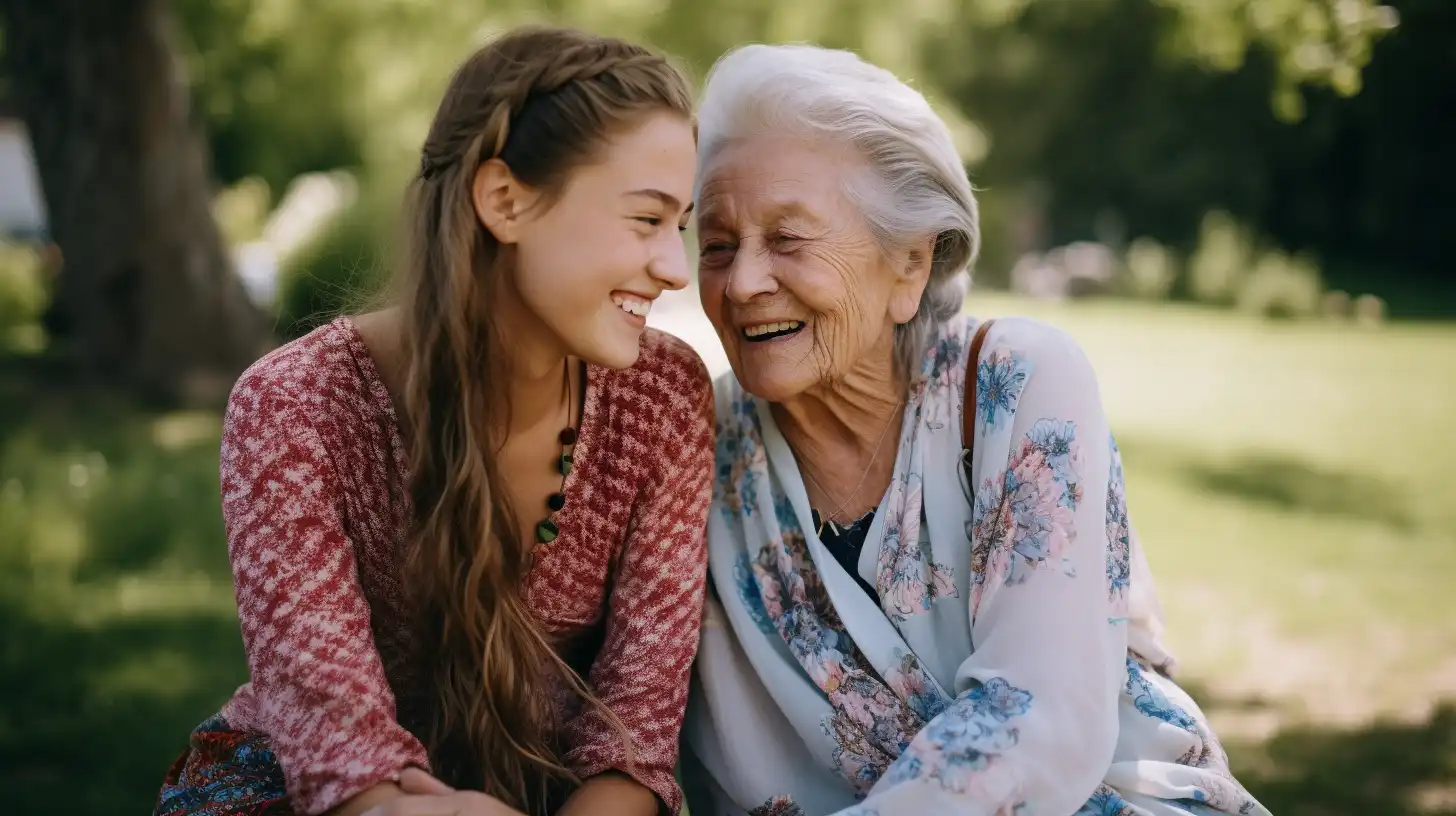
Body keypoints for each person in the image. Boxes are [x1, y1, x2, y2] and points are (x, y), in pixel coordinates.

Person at [678, 43, 1270, 816]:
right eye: (717, 246)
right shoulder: (692, 444)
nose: (742, 282)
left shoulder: (1015, 380)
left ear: (911, 266)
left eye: (788, 240)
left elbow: (1037, 715)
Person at [154, 26, 713, 816]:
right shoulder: (293, 406)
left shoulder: (663, 396)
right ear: (505, 201)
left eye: (681, 226)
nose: (675, 268)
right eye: (646, 220)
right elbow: (342, 762)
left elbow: (633, 732)